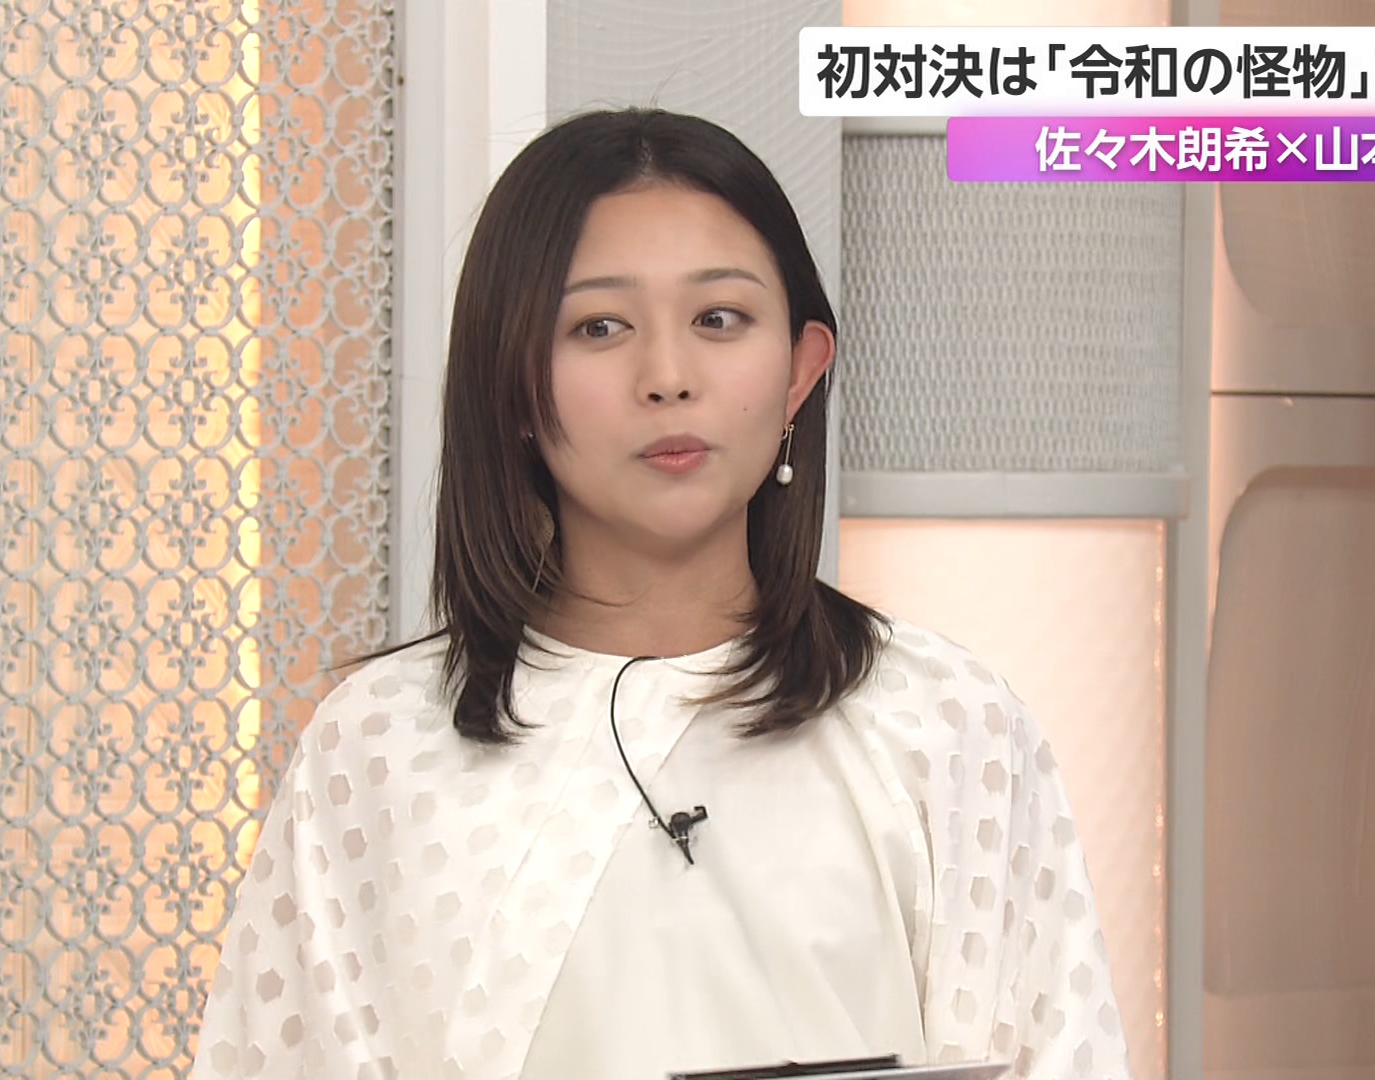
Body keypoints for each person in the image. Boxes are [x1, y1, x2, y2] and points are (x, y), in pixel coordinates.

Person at [190, 107, 1134, 1080]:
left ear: (800, 371)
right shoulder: (379, 744)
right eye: (599, 327)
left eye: (719, 320)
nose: (669, 377)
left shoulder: (947, 721)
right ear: (512, 385)